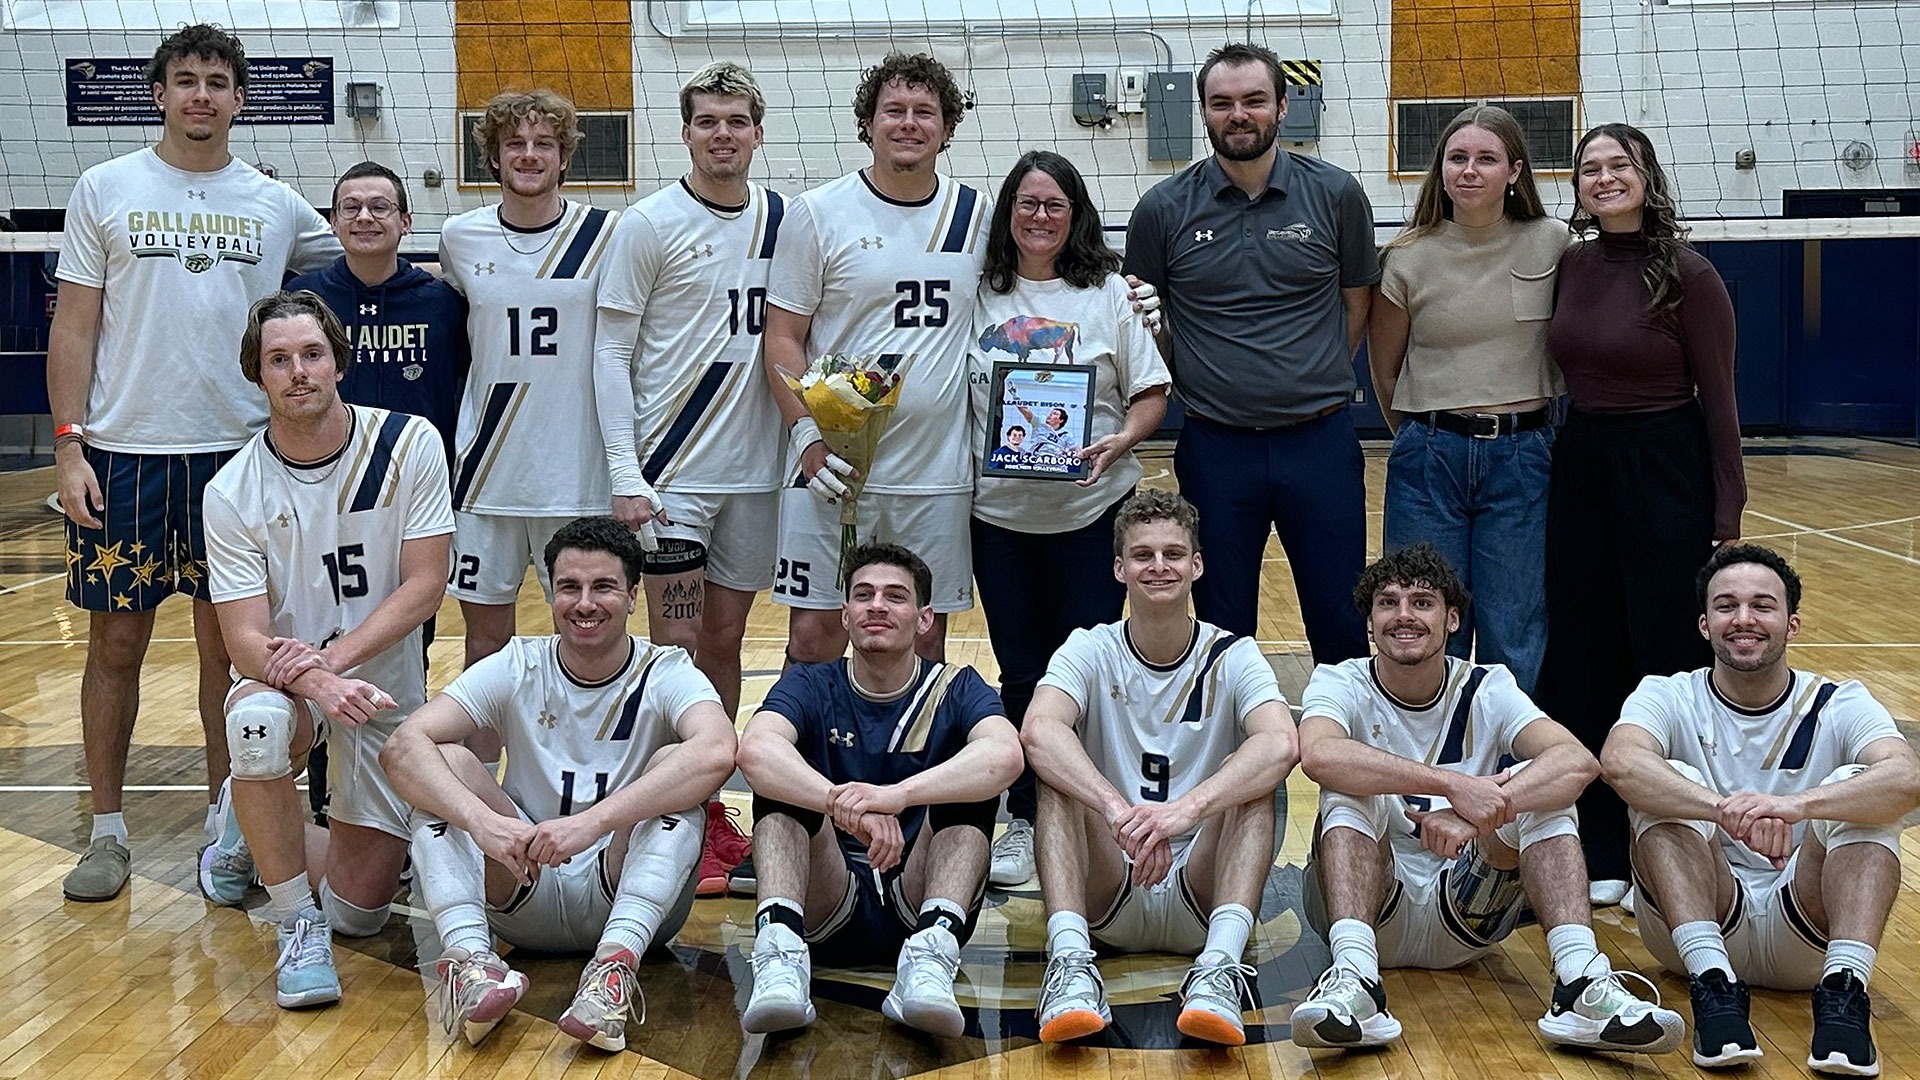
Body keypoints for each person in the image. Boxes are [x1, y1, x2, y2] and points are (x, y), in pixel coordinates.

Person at [47, 23, 339, 901]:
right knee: (116, 645)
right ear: (160, 93)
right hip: (126, 454)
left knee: (234, 654)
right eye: (186, 80)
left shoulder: (277, 204)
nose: (202, 94)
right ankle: (105, 831)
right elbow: (75, 325)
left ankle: (230, 833)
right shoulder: (106, 187)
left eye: (218, 81)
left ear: (242, 99)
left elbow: (347, 290)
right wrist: (69, 449)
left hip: (241, 461)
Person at [1289, 544, 1684, 1055]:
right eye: (1388, 602)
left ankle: (1580, 984)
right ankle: (1355, 979)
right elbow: (1318, 755)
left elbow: (1578, 761)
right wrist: (1454, 787)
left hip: (1466, 906)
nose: (1404, 615)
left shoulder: (1488, 685)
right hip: (1370, 905)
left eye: (1422, 602)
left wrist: (1480, 817)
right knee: (1347, 783)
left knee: (1542, 786)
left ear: (1452, 619)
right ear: (1370, 621)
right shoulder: (1340, 679)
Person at [381, 517, 738, 1052]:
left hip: (624, 891)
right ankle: (472, 966)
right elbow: (401, 748)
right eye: (569, 587)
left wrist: (591, 823)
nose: (585, 603)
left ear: (634, 596)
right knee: (443, 770)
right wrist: (483, 825)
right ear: (550, 593)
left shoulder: (667, 669)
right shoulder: (519, 662)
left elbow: (718, 751)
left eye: (603, 587)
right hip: (526, 883)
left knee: (677, 767)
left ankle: (612, 977)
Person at [199, 291, 453, 1008]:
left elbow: (424, 586)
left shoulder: (408, 443)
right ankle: (293, 925)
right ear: (259, 376)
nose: (298, 371)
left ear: (339, 362)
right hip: (285, 689)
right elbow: (245, 641)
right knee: (257, 727)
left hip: (374, 693)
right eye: (279, 360)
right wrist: (314, 685)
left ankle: (243, 822)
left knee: (362, 913)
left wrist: (333, 667)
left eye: (311, 354)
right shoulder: (233, 491)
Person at [1601, 544, 1920, 1074]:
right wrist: (1722, 809)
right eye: (1726, 606)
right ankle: (1714, 988)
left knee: (1861, 789)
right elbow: (1619, 763)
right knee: (1667, 781)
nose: (1744, 619)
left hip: (1806, 928)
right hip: (1698, 923)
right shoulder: (1667, 694)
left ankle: (1844, 994)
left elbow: (1907, 778)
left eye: (1762, 606)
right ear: (1704, 625)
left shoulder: (1840, 701)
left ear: (1791, 624)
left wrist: (1796, 807)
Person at [1537, 123, 1744, 906]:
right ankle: (1596, 847)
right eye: (1590, 168)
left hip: (1666, 462)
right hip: (1583, 460)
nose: (1603, 177)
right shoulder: (1573, 264)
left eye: (1617, 164)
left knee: (1661, 651)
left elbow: (1720, 401)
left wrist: (1728, 509)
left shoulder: (1690, 274)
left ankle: (1670, 844)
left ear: (1645, 175)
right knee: (1583, 648)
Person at [1122, 41, 1378, 660]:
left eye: (1254, 100)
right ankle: (1228, 758)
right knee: (1219, 628)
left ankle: (1342, 757)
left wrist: (1305, 379)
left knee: (1341, 621)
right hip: (1215, 447)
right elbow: (1144, 324)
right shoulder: (1161, 209)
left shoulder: (1337, 194)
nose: (1239, 114)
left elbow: (1356, 306)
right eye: (1222, 103)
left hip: (1321, 443)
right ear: (1204, 113)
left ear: (1283, 107)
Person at [1020, 490, 1292, 1046]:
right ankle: (1070, 965)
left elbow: (1282, 743)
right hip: (1109, 876)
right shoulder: (1090, 648)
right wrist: (1118, 810)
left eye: (1174, 554)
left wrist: (1183, 812)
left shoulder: (1232, 653)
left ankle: (1219, 969)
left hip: (1202, 880)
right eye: (1143, 555)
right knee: (1056, 776)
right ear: (1120, 568)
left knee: (1258, 779)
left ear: (1197, 565)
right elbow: (1038, 731)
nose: (1159, 566)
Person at [967, 150, 1171, 889]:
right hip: (1000, 516)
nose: (1040, 217)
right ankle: (1023, 814)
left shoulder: (1110, 293)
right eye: (1026, 203)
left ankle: (1092, 812)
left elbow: (1151, 393)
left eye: (1054, 204)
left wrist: (1123, 439)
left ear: (1076, 213)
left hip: (1093, 510)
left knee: (1088, 670)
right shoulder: (977, 290)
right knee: (1021, 670)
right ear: (1008, 212)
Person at [733, 543, 1022, 1037]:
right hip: (829, 897)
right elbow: (755, 751)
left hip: (920, 894)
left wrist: (900, 795)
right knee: (781, 778)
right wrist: (842, 805)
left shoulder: (956, 686)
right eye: (862, 595)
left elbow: (1005, 756)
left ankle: (932, 956)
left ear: (924, 618)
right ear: (844, 616)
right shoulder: (812, 683)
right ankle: (779, 953)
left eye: (895, 596)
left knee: (974, 783)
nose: (876, 606)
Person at [763, 52, 991, 665]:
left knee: (925, 638)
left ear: (947, 126)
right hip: (833, 470)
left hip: (937, 475)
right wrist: (809, 439)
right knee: (814, 634)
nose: (909, 123)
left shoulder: (979, 216)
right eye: (894, 110)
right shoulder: (817, 212)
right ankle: (808, 761)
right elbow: (782, 337)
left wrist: (1127, 293)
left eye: (925, 111)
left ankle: (915, 763)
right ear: (869, 122)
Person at [594, 62, 782, 726]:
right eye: (708, 122)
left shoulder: (787, 221)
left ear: (758, 134)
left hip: (758, 472)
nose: (722, 134)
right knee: (675, 644)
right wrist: (625, 470)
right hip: (673, 476)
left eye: (736, 122)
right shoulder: (646, 223)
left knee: (725, 640)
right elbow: (611, 351)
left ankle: (705, 800)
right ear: (685, 133)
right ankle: (665, 804)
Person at [288, 160, 470, 824]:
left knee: (402, 652)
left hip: (406, 514)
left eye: (379, 208)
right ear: (332, 221)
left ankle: (392, 805)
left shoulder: (443, 303)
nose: (365, 218)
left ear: (406, 220)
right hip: (316, 507)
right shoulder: (303, 299)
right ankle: (322, 804)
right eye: (351, 208)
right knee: (313, 643)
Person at [1369, 105, 1568, 696]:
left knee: (1515, 624)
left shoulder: (1554, 243)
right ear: (1441, 169)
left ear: (1514, 170)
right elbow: (1385, 370)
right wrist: (1425, 433)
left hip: (1524, 453)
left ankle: (1508, 765)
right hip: (1430, 456)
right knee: (1424, 619)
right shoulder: (1408, 255)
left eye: (1486, 159)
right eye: (1458, 158)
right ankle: (1428, 762)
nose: (1470, 170)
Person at [440, 89, 616, 679]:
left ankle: (586, 767)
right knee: (485, 647)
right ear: (493, 157)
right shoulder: (459, 238)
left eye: (544, 144)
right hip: (486, 472)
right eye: (515, 143)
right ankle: (478, 772)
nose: (529, 154)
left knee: (591, 641)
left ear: (565, 157)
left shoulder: (609, 234)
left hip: (579, 473)